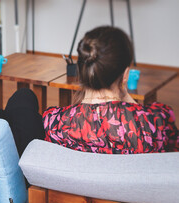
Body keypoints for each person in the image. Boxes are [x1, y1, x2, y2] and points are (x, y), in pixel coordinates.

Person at [43, 26, 179, 153]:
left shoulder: (53, 123)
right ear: (125, 74)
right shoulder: (158, 121)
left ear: (81, 70)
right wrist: (126, 95)